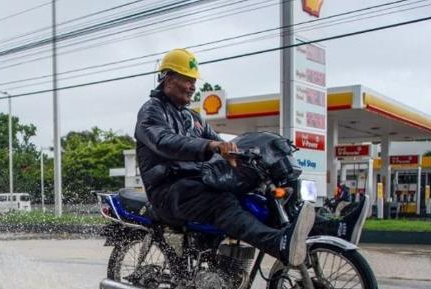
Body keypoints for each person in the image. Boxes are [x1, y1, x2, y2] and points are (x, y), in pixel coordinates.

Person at [134, 48, 315, 267]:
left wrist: (250, 154)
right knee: (221, 203)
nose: (193, 87)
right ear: (169, 79)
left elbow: (223, 144)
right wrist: (211, 146)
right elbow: (164, 141)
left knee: (256, 194)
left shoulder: (192, 118)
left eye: (194, 81)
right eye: (188, 80)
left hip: (194, 183)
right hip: (168, 190)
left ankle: (331, 228)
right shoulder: (151, 111)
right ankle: (277, 244)